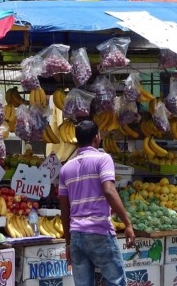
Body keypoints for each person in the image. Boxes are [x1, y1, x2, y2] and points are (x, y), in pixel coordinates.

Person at [58, 120, 135, 286]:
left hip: (76, 235)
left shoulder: (65, 168)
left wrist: (68, 243)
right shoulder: (103, 159)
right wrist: (127, 223)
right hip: (99, 231)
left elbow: (64, 209)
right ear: (97, 137)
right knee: (115, 282)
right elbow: (109, 190)